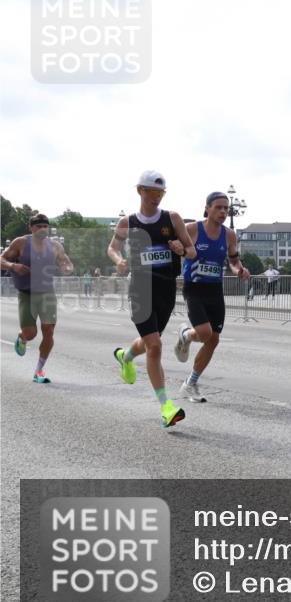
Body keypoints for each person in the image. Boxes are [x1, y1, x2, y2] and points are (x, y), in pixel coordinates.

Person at [107, 170, 196, 428]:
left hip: (166, 289)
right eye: (152, 192)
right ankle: (166, 407)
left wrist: (182, 249)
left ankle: (125, 356)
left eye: (161, 193)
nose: (156, 198)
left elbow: (190, 250)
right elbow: (112, 247)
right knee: (155, 345)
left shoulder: (173, 218)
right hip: (140, 289)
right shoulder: (128, 222)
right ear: (140, 191)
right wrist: (119, 260)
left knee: (149, 341)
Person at [173, 192, 251, 403]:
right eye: (218, 207)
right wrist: (177, 248)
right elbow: (171, 243)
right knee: (205, 333)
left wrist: (239, 270)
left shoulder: (229, 235)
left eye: (226, 208)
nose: (223, 212)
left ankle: (190, 383)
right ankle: (187, 335)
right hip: (194, 288)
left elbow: (233, 261)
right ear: (207, 208)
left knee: (213, 339)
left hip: (215, 290)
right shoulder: (192, 229)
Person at [0, 213, 75, 383]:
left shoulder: (55, 245)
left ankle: (39, 370)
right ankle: (22, 337)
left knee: (49, 331)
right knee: (31, 333)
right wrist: (13, 265)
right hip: (26, 294)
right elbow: (1, 259)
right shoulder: (20, 243)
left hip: (47, 293)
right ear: (31, 228)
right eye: (38, 226)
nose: (42, 229)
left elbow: (65, 261)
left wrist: (67, 268)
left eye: (45, 226)